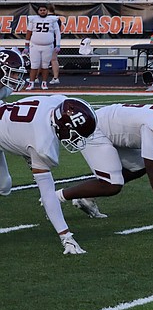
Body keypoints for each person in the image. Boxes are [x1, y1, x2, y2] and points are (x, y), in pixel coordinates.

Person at [54, 98, 153, 224]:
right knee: (112, 185)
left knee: (138, 167)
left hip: (114, 131)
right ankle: (55, 198)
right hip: (94, 129)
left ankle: (85, 198)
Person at [0, 95, 98, 254]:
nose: (76, 139)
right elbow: (47, 193)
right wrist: (66, 236)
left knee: (4, 186)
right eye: (74, 134)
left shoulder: (56, 103)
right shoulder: (43, 142)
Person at [24, 5, 60, 91]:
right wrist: (26, 45)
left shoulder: (52, 20)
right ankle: (31, 83)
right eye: (41, 10)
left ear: (47, 11)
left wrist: (58, 44)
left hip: (48, 46)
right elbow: (29, 32)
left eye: (44, 10)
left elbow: (57, 33)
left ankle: (44, 83)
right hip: (35, 45)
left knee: (45, 65)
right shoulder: (33, 19)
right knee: (34, 65)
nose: (43, 11)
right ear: (38, 11)